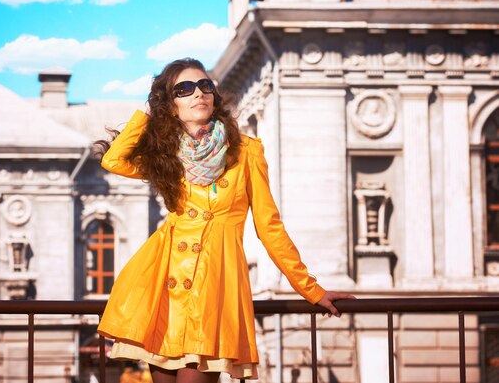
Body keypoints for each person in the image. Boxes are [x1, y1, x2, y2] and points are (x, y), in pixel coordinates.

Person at [95, 58, 354, 383]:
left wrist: (310, 289)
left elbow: (268, 226)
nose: (198, 93)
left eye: (205, 86)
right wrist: (150, 115)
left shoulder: (246, 151)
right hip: (162, 288)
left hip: (212, 287)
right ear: (170, 105)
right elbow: (114, 159)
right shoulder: (165, 155)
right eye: (184, 89)